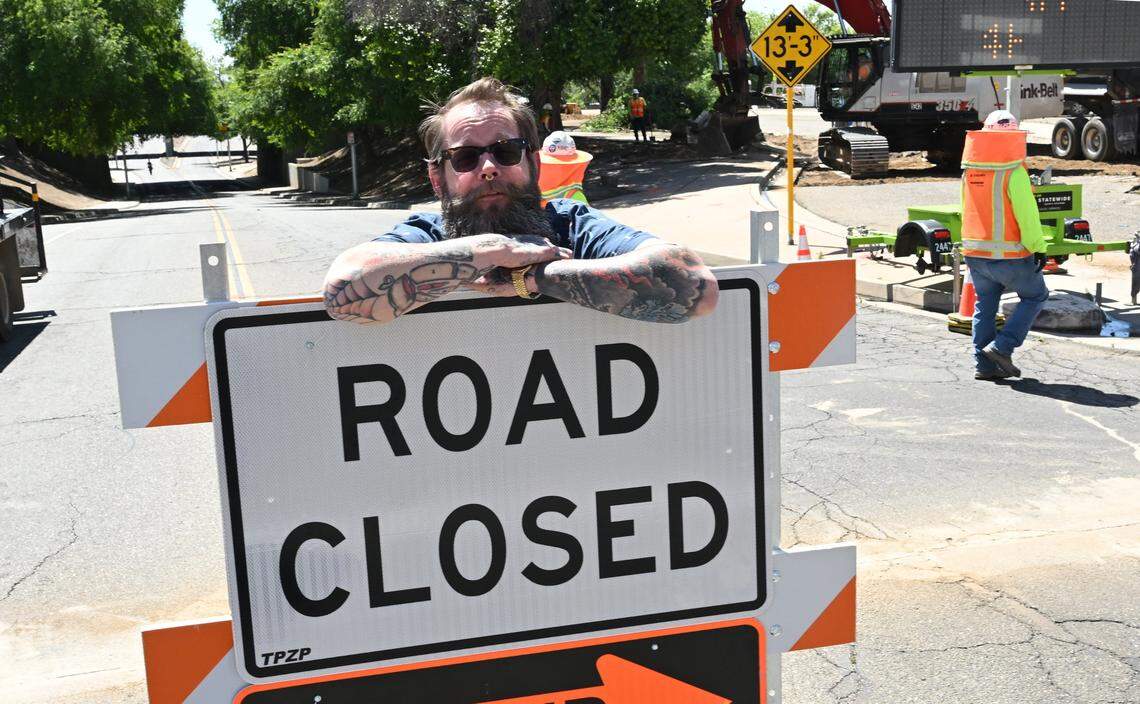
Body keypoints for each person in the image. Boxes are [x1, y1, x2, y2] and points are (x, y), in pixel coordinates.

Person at [323, 77, 718, 326]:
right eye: (465, 157)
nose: (488, 168)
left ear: (533, 163)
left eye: (506, 151)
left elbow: (697, 288)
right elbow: (342, 292)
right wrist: (493, 250)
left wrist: (531, 278)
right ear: (437, 179)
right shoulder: (425, 238)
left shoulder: (573, 226)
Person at [960, 110, 1049, 381]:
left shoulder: (970, 169)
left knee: (985, 306)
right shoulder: (1014, 172)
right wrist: (1038, 246)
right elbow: (1027, 215)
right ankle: (1002, 347)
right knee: (1035, 296)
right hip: (1010, 254)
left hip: (976, 252)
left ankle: (984, 366)